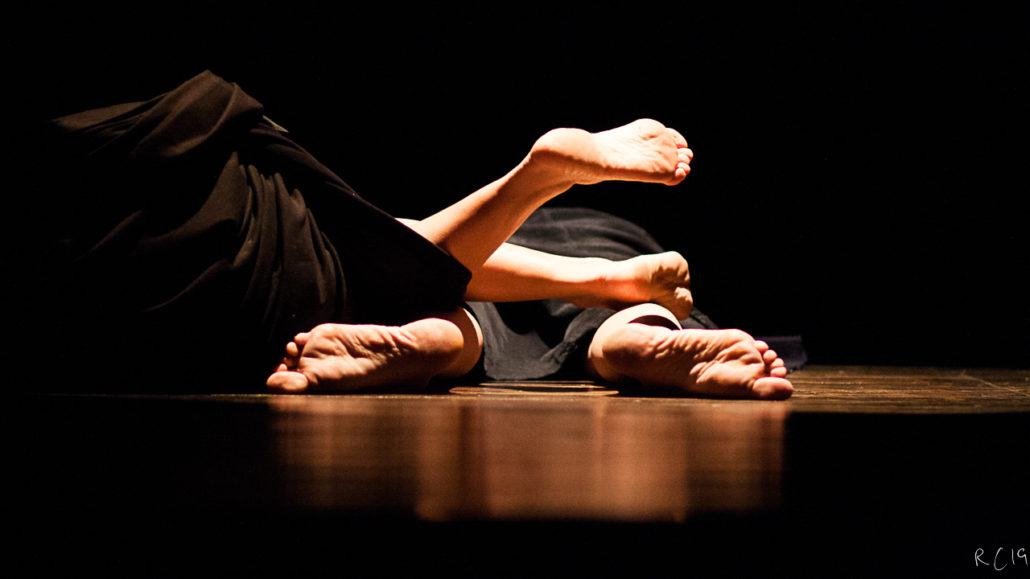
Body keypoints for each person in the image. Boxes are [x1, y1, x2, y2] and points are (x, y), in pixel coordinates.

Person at [25, 71, 792, 399]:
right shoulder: (615, 231)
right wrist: (624, 280)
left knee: (449, 315)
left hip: (430, 284)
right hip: (602, 242)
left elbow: (431, 253)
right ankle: (638, 339)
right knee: (624, 313)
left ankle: (428, 344)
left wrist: (603, 277)